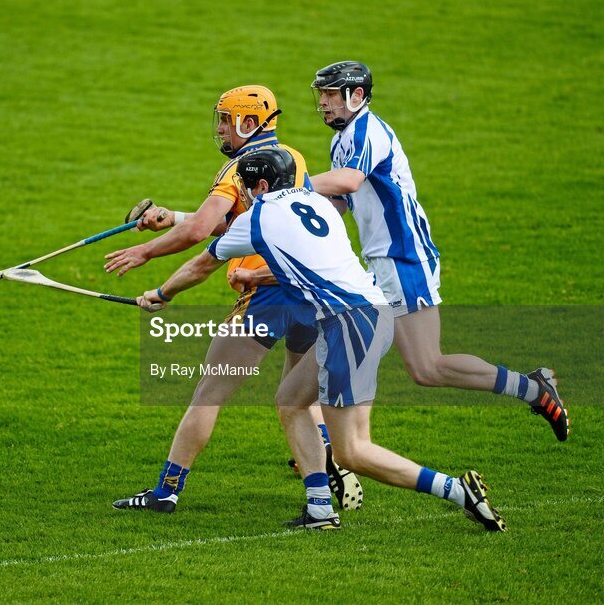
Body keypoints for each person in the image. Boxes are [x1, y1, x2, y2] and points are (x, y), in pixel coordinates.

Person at [135, 147, 507, 531]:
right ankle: (319, 510)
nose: (242, 198)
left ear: (262, 185)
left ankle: (459, 491)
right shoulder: (318, 203)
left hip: (348, 325)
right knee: (291, 402)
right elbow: (308, 264)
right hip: (372, 314)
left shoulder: (258, 217)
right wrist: (255, 277)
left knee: (353, 451)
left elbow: (200, 266)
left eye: (245, 188)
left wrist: (159, 295)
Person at [107, 85, 362, 517]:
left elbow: (204, 235)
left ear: (249, 122)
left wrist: (148, 260)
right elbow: (235, 220)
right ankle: (327, 465)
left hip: (262, 296)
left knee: (209, 394)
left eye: (227, 119)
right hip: (309, 292)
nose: (221, 128)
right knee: (298, 395)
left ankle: (166, 491)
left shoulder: (237, 169)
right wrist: (175, 216)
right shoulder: (291, 159)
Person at [296, 61, 568, 441]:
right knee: (357, 346)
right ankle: (329, 443)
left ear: (356, 96)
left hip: (403, 258)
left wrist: (293, 184)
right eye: (321, 94)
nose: (322, 102)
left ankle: (534, 390)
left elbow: (350, 181)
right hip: (381, 261)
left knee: (427, 367)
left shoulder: (367, 131)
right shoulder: (342, 139)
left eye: (329, 94)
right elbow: (340, 201)